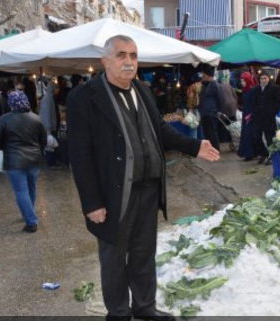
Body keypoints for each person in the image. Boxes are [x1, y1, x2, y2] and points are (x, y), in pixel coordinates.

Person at [67, 35, 220, 321]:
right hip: (113, 194)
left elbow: (160, 130)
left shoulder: (142, 90)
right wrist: (91, 202)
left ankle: (145, 307)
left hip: (148, 189)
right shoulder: (85, 97)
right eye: (122, 55)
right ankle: (119, 313)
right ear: (105, 61)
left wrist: (194, 145)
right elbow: (79, 154)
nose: (129, 62)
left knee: (143, 253)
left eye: (133, 56)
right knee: (114, 259)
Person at [0, 91, 47, 232]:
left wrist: (1, 149)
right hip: (34, 160)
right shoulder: (36, 118)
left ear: (10, 103)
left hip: (14, 161)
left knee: (21, 190)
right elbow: (43, 140)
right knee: (31, 187)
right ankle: (29, 212)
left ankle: (31, 221)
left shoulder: (4, 119)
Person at [251, 73, 280, 165]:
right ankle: (263, 153)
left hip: (269, 118)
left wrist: (272, 111)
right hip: (258, 117)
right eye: (261, 78)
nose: (263, 80)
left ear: (268, 79)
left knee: (270, 138)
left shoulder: (274, 88)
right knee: (255, 136)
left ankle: (271, 156)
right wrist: (255, 111)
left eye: (265, 78)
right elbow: (255, 101)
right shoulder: (256, 89)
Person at [197, 63, 222, 150]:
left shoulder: (214, 84)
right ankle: (210, 148)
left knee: (212, 132)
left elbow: (220, 98)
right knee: (207, 132)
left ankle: (215, 148)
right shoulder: (204, 85)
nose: (202, 76)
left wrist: (218, 110)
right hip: (204, 112)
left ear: (208, 76)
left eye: (204, 75)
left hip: (211, 112)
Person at [38, 77, 61, 170]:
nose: (57, 90)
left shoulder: (49, 98)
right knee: (50, 145)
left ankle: (52, 161)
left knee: (50, 144)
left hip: (50, 126)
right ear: (52, 89)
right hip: (49, 127)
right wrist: (48, 129)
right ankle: (51, 163)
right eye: (56, 89)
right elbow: (47, 114)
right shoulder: (48, 100)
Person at [237, 72, 257, 161]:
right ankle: (247, 153)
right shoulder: (244, 90)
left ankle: (250, 153)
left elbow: (255, 103)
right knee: (245, 133)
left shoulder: (252, 90)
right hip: (245, 113)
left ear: (248, 80)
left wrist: (251, 114)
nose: (242, 82)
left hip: (251, 114)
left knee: (249, 133)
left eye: (244, 80)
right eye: (241, 81)